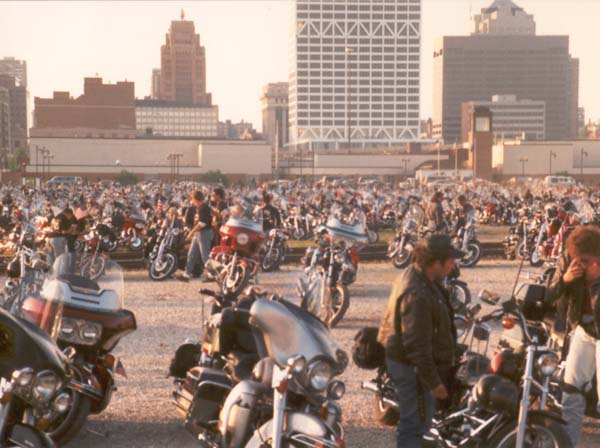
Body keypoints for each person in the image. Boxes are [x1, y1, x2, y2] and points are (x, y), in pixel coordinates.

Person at [377, 234, 465, 448]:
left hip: (410, 362)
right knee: (414, 426)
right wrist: (434, 382)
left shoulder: (420, 277)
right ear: (436, 262)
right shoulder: (417, 293)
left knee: (417, 422)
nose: (453, 265)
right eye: (450, 261)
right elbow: (417, 346)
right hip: (411, 367)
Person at [548, 225, 600, 446]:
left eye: (587, 260)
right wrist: (565, 279)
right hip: (583, 328)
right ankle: (567, 443)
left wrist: (596, 280)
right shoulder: (570, 258)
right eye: (579, 260)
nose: (582, 265)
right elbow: (550, 293)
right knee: (570, 390)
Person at [177, 190, 213, 282]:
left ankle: (211, 274)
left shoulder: (204, 208)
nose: (191, 201)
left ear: (196, 199)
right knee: (192, 254)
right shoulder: (199, 208)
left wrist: (191, 232)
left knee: (205, 255)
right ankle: (187, 274)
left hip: (204, 233)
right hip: (199, 233)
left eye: (192, 199)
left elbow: (202, 223)